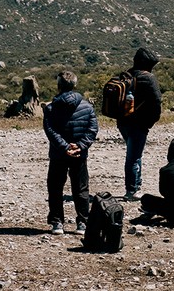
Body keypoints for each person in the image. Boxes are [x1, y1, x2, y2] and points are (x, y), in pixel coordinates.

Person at [44, 70, 99, 235]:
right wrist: (80, 146)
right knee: (81, 189)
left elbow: (50, 130)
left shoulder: (51, 108)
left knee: (55, 188)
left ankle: (57, 222)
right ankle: (83, 222)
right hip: (79, 154)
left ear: (59, 85)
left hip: (58, 154)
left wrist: (64, 147)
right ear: (75, 85)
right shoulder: (87, 106)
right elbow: (92, 129)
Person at [119, 47, 162, 202]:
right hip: (139, 123)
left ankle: (136, 186)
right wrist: (151, 121)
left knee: (133, 154)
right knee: (134, 156)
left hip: (123, 122)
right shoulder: (148, 78)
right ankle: (132, 190)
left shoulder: (125, 75)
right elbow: (157, 101)